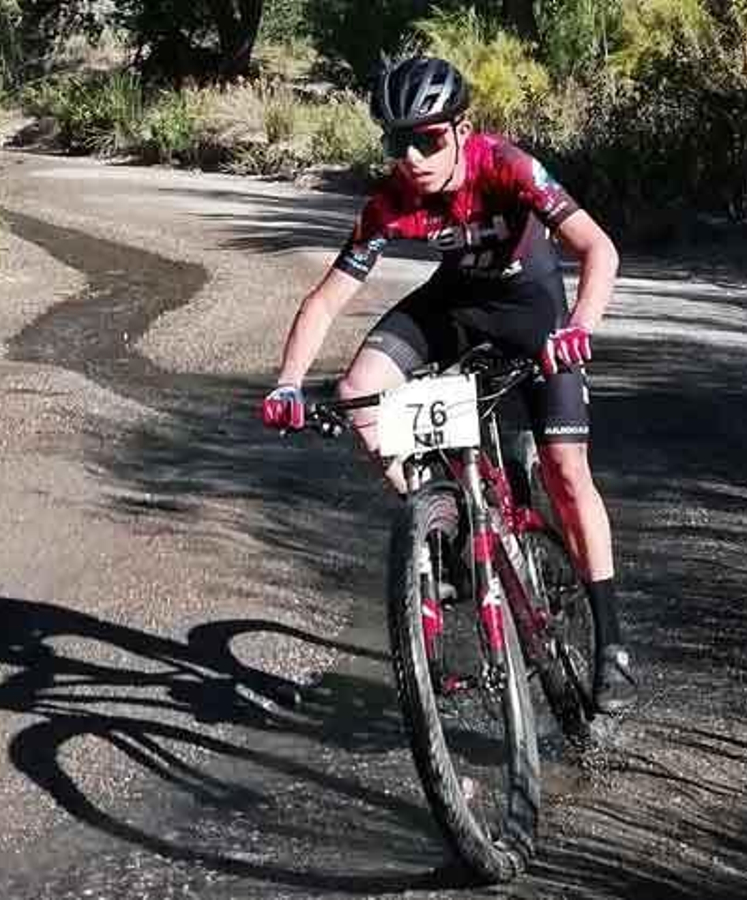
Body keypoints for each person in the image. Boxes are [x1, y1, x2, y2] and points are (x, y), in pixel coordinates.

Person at [258, 56, 635, 715]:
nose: (409, 156)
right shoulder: (391, 200)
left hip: (533, 312)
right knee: (359, 393)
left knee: (566, 472)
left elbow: (598, 249)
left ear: (462, 129)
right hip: (455, 305)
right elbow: (323, 303)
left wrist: (581, 325)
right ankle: (445, 522)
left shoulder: (507, 166)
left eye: (426, 138)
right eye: (394, 141)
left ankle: (611, 643)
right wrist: (288, 383)